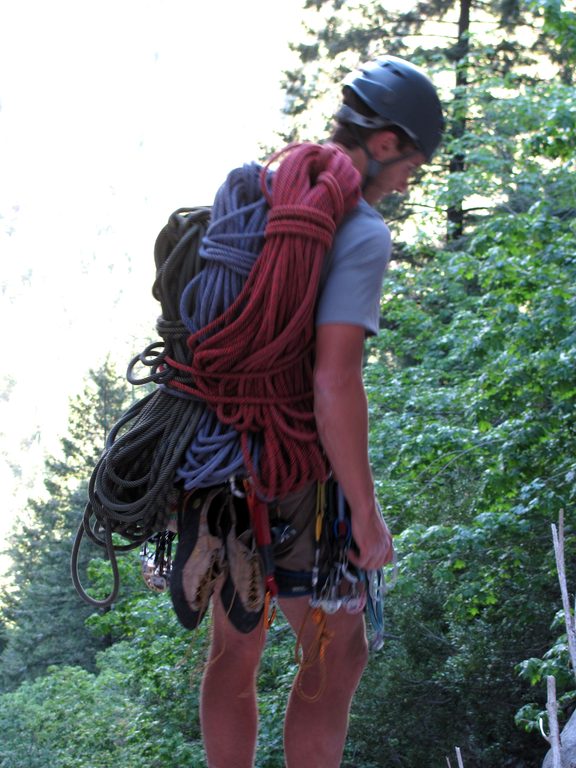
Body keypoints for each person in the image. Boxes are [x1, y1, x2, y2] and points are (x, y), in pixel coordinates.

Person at [179, 55, 444, 768]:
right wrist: (365, 510)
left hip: (210, 451)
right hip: (294, 474)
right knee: (339, 655)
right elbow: (334, 384)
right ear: (385, 142)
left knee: (235, 648)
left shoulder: (259, 189)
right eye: (411, 165)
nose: (406, 181)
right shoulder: (358, 232)